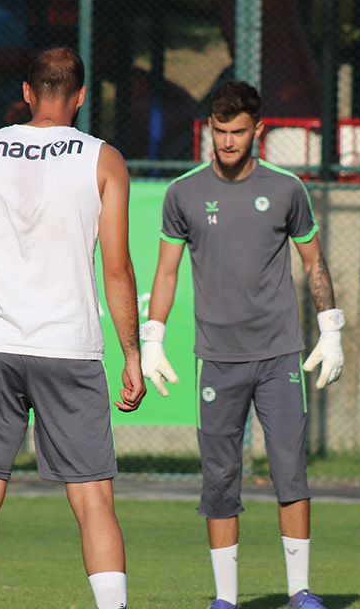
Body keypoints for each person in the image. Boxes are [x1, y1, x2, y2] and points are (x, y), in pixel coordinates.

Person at [0, 47, 144, 609]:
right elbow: (117, 268)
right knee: (93, 500)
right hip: (70, 348)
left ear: (26, 93)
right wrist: (132, 355)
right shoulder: (103, 159)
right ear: (81, 96)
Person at [141, 79, 344, 609]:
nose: (227, 141)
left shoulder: (287, 189)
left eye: (237, 132)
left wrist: (332, 328)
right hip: (217, 359)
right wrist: (152, 338)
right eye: (219, 131)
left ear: (259, 130)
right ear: (209, 128)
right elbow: (166, 272)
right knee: (220, 476)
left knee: (289, 469)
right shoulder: (183, 192)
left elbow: (313, 261)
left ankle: (300, 591)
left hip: (279, 355)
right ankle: (225, 599)